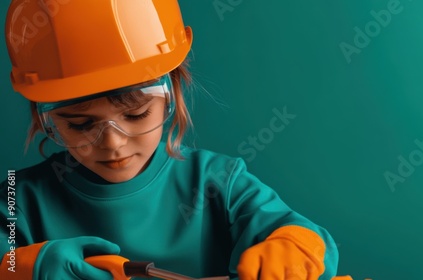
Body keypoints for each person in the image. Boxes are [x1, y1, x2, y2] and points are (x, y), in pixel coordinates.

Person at [0, 0, 345, 279]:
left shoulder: (220, 184)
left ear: (173, 95)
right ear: (42, 117)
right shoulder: (18, 197)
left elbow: (300, 235)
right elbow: (5, 258)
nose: (113, 143)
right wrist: (25, 266)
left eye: (136, 116)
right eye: (80, 124)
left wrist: (296, 245)